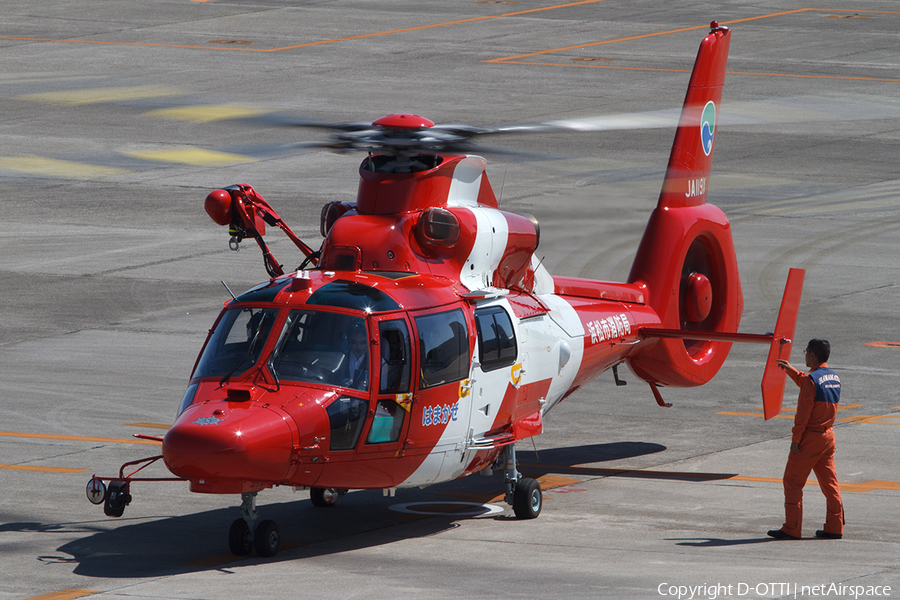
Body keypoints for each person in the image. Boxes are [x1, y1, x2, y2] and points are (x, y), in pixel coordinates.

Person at [767, 339, 844, 540]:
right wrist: (791, 370)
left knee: (792, 481)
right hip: (828, 437)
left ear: (812, 355)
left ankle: (792, 528)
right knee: (830, 484)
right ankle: (835, 526)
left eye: (806, 352)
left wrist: (796, 439)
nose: (804, 355)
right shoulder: (833, 377)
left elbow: (803, 414)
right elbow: (810, 383)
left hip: (810, 438)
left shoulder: (812, 380)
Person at [342, 322, 369, 390]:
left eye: (362, 342)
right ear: (348, 340)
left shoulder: (377, 362)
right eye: (354, 342)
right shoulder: (341, 359)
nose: (358, 346)